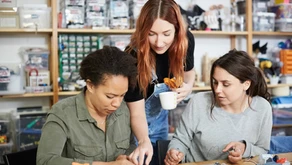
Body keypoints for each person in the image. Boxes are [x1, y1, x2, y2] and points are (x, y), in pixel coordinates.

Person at [166, 49, 273, 164]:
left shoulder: (263, 108)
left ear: (246, 84)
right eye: (215, 82)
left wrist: (245, 149)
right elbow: (180, 140)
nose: (217, 90)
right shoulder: (199, 102)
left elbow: (263, 151)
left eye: (226, 84)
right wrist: (175, 152)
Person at [37, 46, 138, 165]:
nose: (117, 103)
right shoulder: (62, 113)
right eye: (110, 96)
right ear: (90, 85)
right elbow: (45, 161)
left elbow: (130, 145)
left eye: (122, 95)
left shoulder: (123, 111)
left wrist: (126, 157)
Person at [124, 0, 195, 164]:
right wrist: (143, 140)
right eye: (151, 34)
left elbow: (189, 73)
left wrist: (188, 87)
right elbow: (136, 112)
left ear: (177, 30)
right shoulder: (132, 56)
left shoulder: (186, 41)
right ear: (143, 31)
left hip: (161, 120)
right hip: (133, 124)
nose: (159, 42)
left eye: (166, 34)